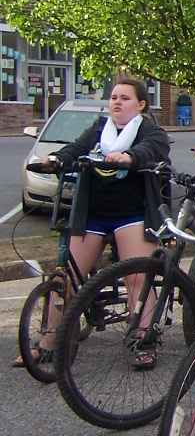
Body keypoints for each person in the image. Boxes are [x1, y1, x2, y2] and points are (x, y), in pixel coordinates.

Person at [15, 77, 170, 369]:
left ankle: (143, 340)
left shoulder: (150, 131)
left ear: (140, 104)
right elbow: (75, 149)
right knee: (64, 278)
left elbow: (153, 150)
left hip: (132, 214)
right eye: (114, 97)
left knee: (136, 277)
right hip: (94, 214)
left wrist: (129, 157)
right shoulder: (99, 130)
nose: (117, 102)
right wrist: (56, 159)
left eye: (124, 98)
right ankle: (49, 343)